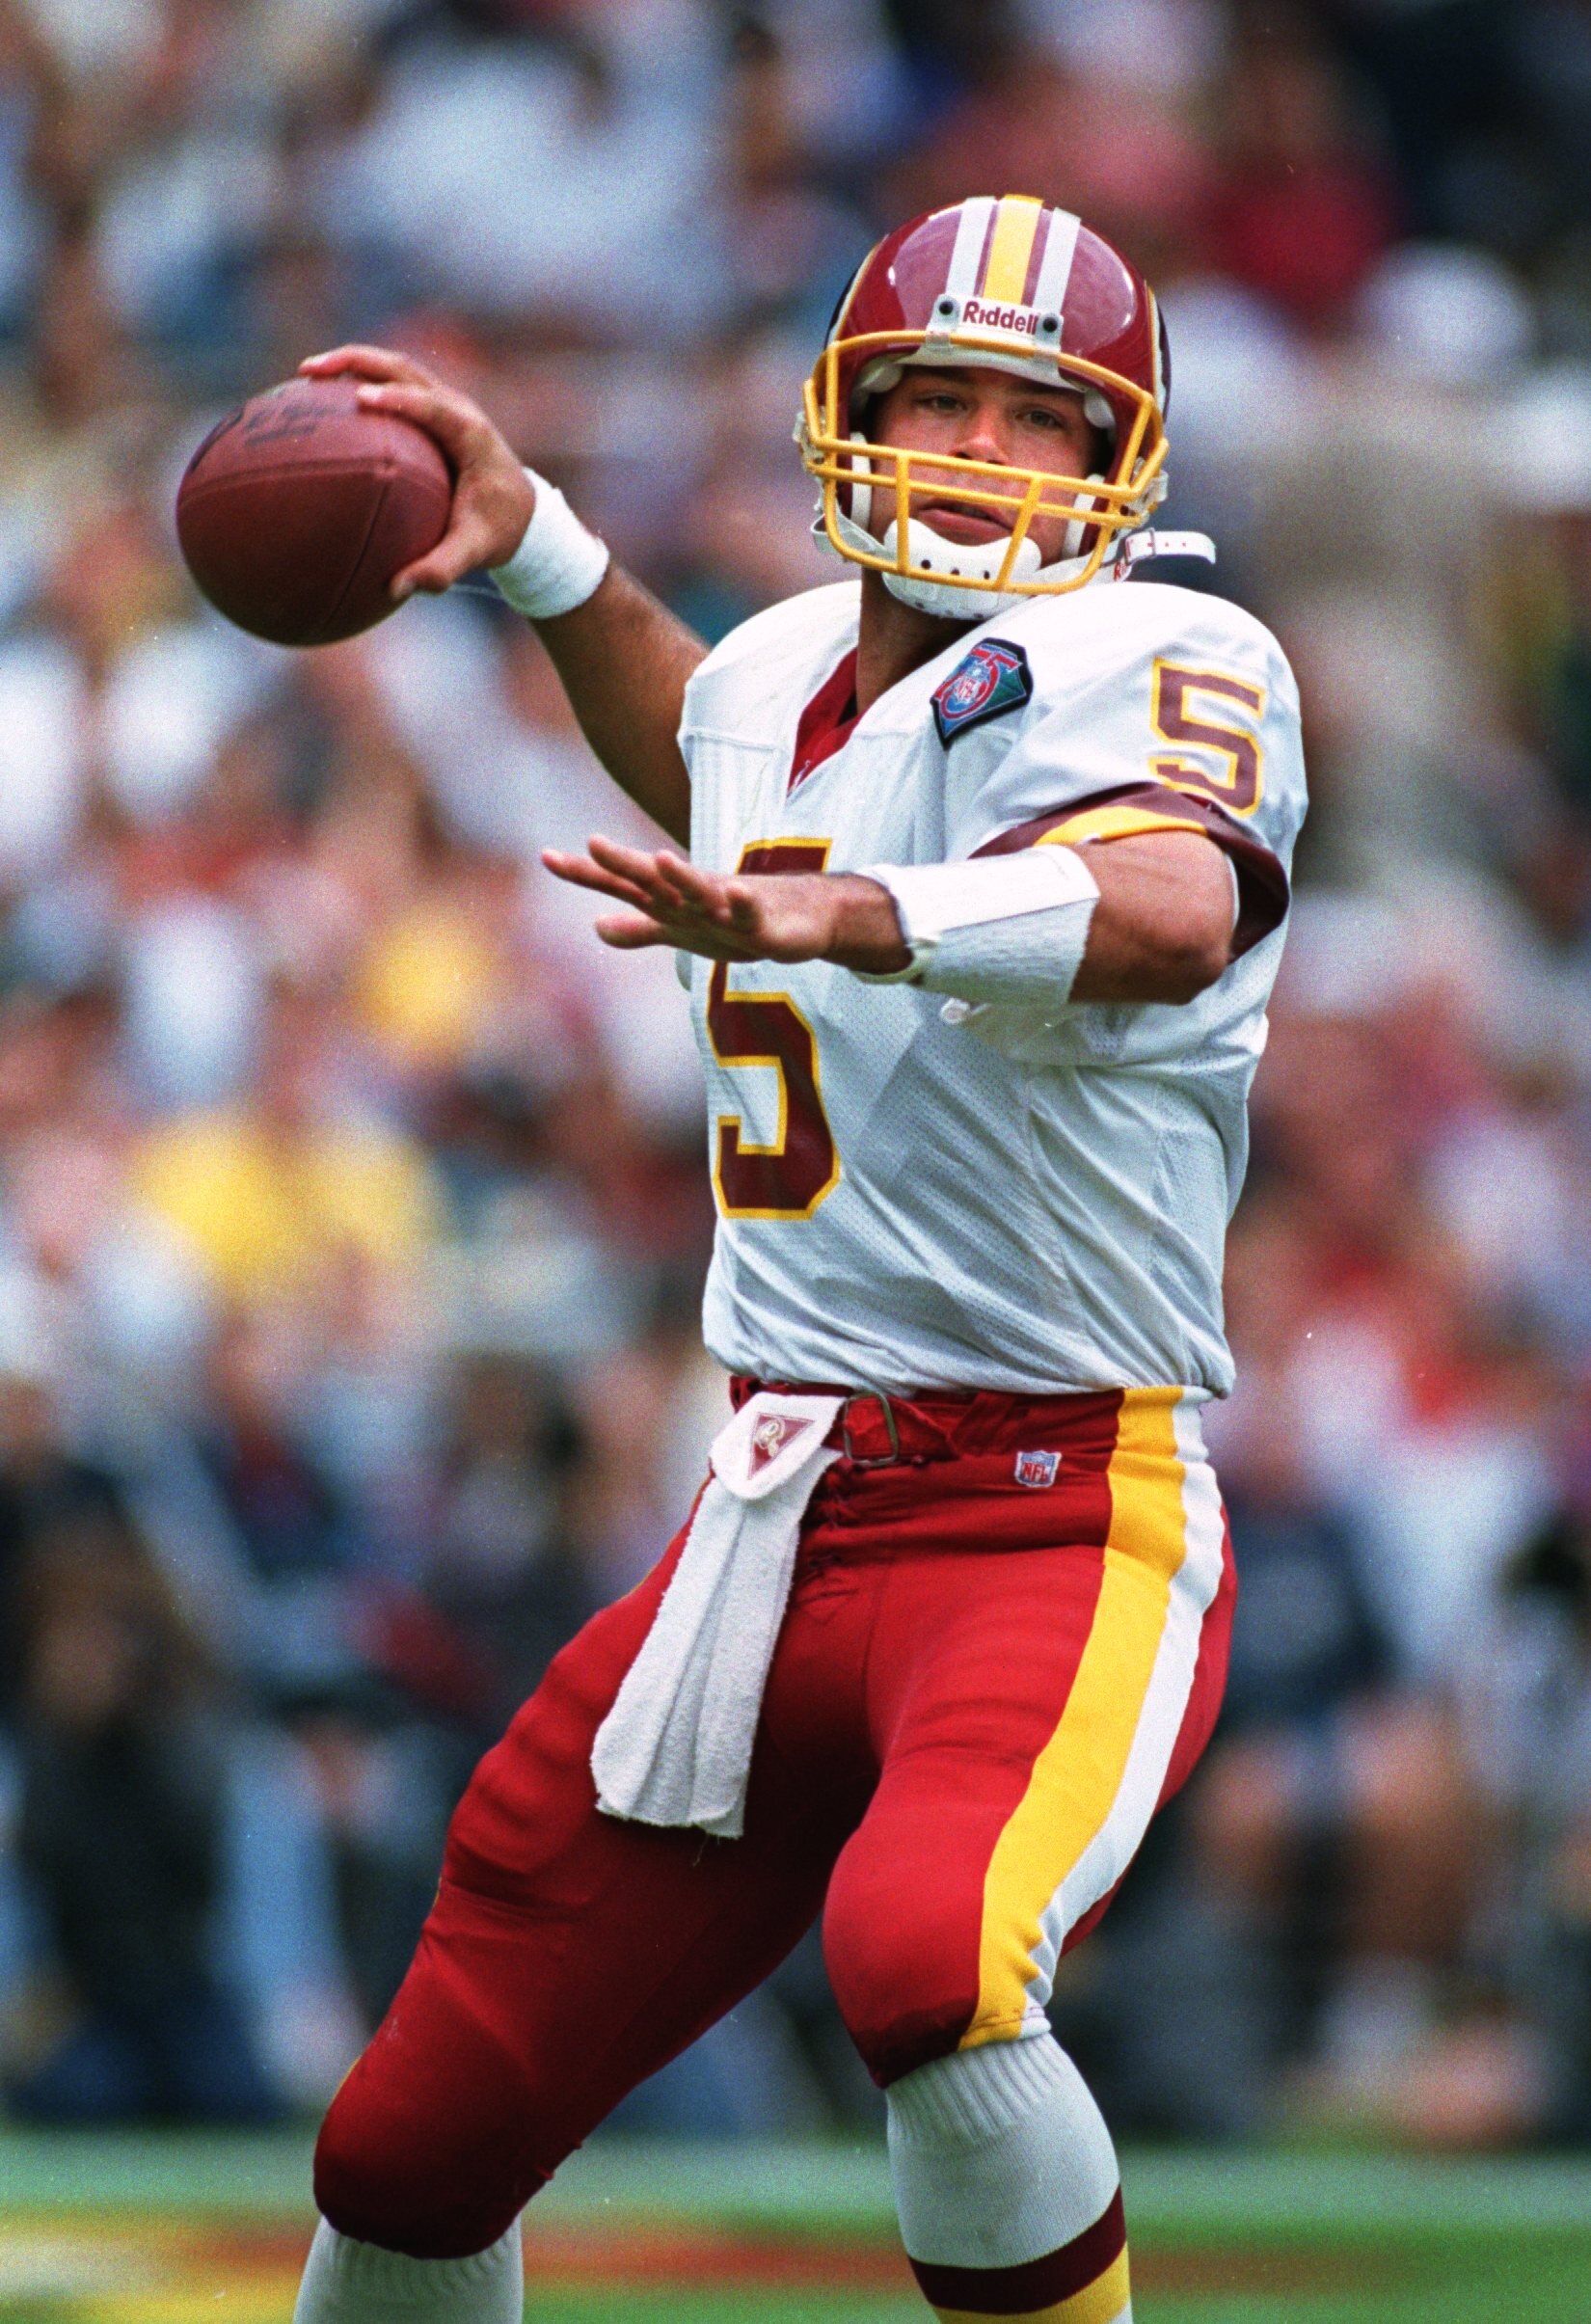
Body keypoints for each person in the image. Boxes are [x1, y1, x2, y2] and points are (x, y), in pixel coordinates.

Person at [289, 195, 1306, 2324]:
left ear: (1116, 466)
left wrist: (865, 917)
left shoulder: (1176, 655)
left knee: (932, 1954)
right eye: (936, 389)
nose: (972, 444)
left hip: (1054, 1508)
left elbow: (1171, 906)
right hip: (764, 1520)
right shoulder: (775, 671)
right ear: (848, 406)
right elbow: (722, 751)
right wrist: (555, 553)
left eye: (1033, 418)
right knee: (408, 2144)